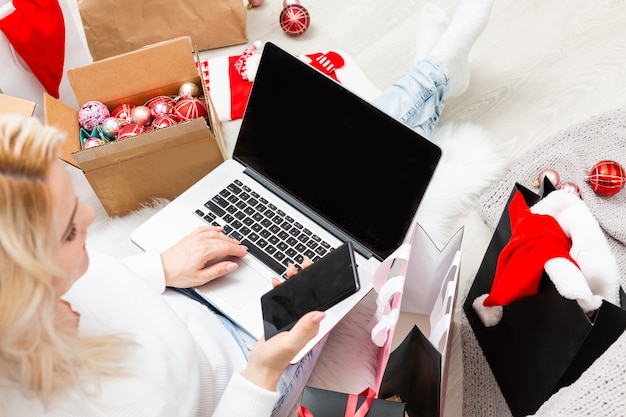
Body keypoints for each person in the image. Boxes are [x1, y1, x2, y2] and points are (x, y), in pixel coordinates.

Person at [0, 0, 493, 415]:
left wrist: (158, 269)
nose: (89, 217)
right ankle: (438, 70)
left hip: (186, 293)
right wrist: (263, 369)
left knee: (321, 172)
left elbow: (107, 283)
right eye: (69, 230)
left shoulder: (22, 298)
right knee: (357, 185)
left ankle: (438, 73)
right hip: (246, 366)